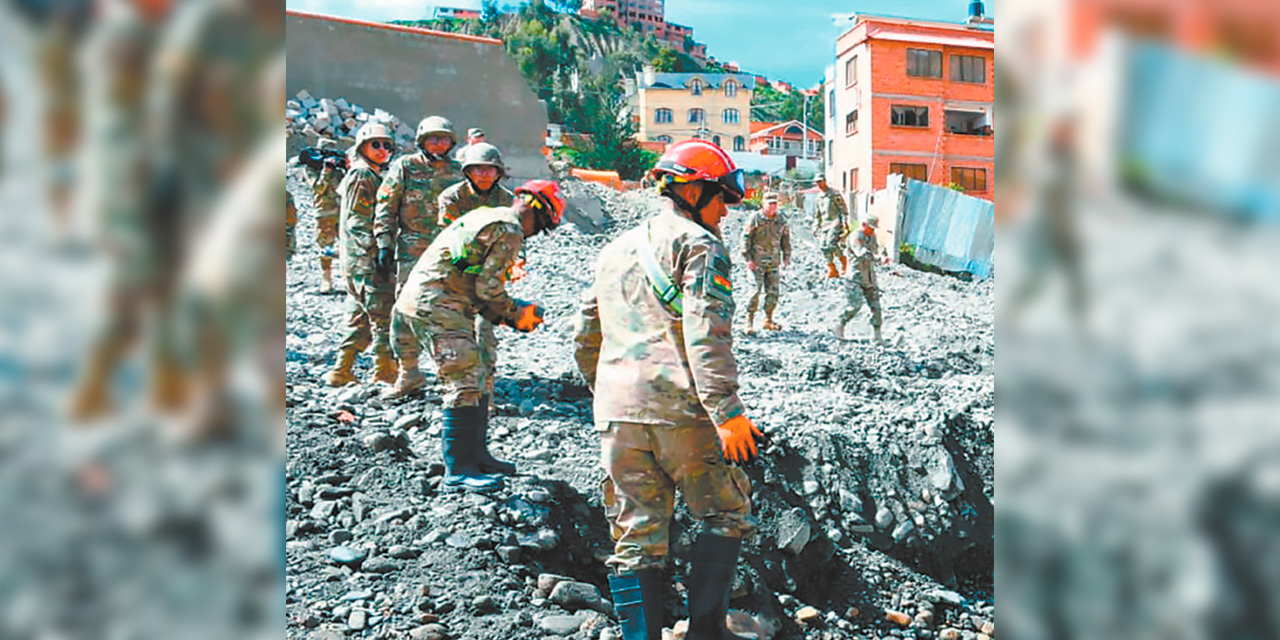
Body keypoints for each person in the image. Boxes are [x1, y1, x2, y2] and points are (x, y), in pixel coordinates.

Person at [573, 139, 761, 640]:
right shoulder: (699, 246)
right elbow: (706, 333)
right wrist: (727, 413)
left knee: (635, 536)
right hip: (681, 410)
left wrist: (609, 394)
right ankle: (706, 632)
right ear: (694, 190)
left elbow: (585, 335)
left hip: (616, 413)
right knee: (725, 512)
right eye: (721, 197)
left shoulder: (613, 250)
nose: (725, 210)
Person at [391, 180, 565, 492]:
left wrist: (506, 314)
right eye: (543, 227)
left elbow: (476, 283)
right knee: (464, 378)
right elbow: (489, 289)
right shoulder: (509, 230)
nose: (536, 234)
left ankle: (478, 455)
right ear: (537, 213)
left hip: (430, 299)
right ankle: (459, 468)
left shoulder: (488, 214)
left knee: (478, 372)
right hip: (439, 304)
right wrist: (516, 313)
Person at [381, 142, 514, 399]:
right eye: (478, 170)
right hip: (452, 267)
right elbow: (454, 240)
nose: (484, 175)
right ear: (468, 172)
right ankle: (409, 372)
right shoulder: (452, 197)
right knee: (404, 313)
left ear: (498, 173)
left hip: (489, 271)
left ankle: (484, 391)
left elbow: (513, 239)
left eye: (490, 170)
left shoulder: (507, 201)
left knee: (483, 328)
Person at [325, 123, 398, 386]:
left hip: (360, 259)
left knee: (360, 317)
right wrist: (379, 251)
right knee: (383, 316)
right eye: (375, 144)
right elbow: (358, 221)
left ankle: (341, 370)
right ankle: (385, 373)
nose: (382, 150)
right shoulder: (362, 175)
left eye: (387, 145)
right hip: (365, 260)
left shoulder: (370, 174)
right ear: (362, 147)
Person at [741, 192, 790, 333]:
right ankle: (748, 321)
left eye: (775, 203)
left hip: (773, 262)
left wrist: (786, 255)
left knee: (773, 292)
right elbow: (745, 238)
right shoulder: (755, 219)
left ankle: (768, 320)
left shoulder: (781, 220)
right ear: (763, 204)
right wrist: (748, 258)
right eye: (770, 203)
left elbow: (785, 239)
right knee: (755, 291)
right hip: (757, 262)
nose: (773, 206)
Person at [835, 213, 885, 343]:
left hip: (869, 277)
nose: (872, 230)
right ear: (864, 225)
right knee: (855, 305)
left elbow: (875, 250)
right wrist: (878, 258)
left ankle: (877, 335)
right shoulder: (855, 237)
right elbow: (861, 253)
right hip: (854, 278)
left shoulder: (872, 237)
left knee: (876, 307)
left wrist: (881, 255)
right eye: (870, 227)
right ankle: (840, 324)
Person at [305, 137, 344, 292]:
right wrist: (325, 172)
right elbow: (318, 188)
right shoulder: (311, 169)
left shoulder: (338, 169)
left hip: (342, 210)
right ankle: (326, 280)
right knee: (325, 247)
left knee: (348, 244)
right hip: (324, 210)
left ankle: (348, 278)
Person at [813, 175, 849, 278]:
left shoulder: (834, 194)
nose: (819, 184)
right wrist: (815, 227)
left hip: (835, 222)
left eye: (820, 181)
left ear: (825, 181)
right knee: (823, 246)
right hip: (824, 225)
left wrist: (845, 222)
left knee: (831, 244)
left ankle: (844, 262)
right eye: (817, 182)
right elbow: (817, 215)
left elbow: (843, 209)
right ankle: (832, 268)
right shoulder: (818, 198)